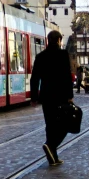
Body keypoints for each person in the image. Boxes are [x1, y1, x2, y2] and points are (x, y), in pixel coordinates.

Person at [30, 30, 74, 166]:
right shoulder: (63, 54)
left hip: (46, 96)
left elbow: (34, 78)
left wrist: (33, 97)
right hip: (61, 95)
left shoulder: (41, 56)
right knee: (64, 124)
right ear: (59, 40)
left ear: (48, 40)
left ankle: (52, 157)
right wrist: (70, 96)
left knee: (50, 125)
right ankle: (50, 145)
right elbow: (67, 76)